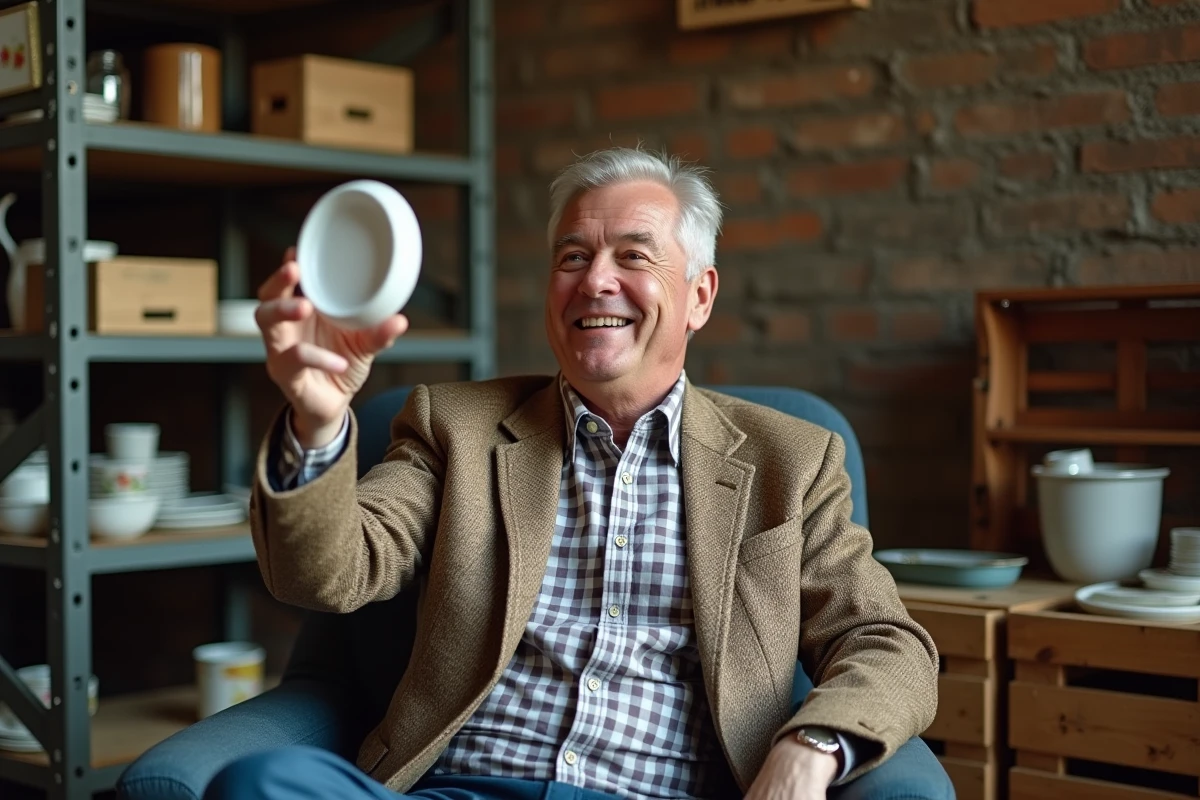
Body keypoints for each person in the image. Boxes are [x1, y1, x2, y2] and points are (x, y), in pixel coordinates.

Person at [207, 147, 939, 800]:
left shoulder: (792, 461)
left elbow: (886, 642)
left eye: (633, 256)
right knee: (259, 782)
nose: (595, 282)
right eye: (571, 257)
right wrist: (317, 418)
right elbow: (324, 576)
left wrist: (810, 748)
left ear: (700, 297)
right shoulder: (455, 428)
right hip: (465, 788)